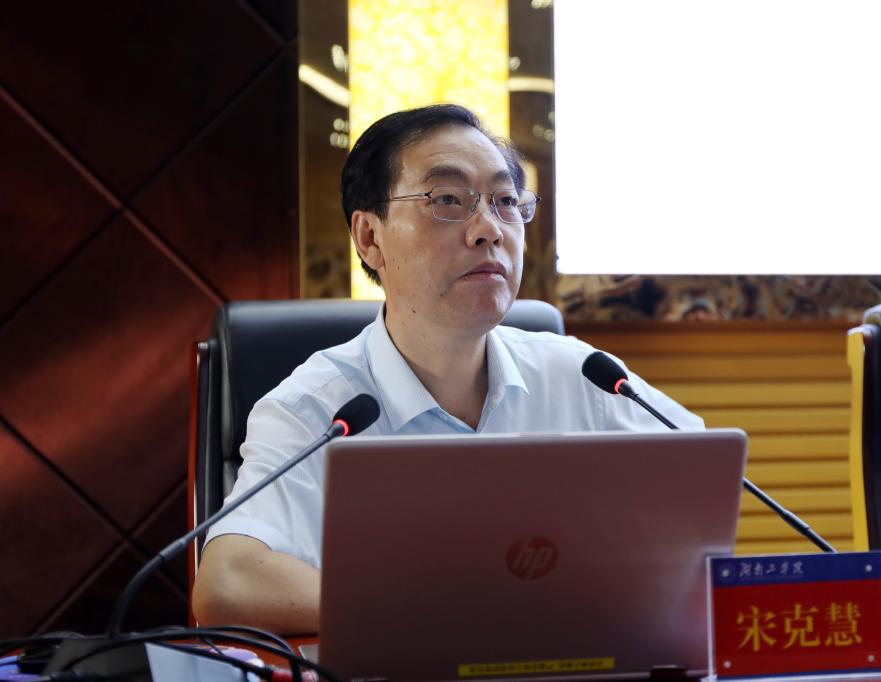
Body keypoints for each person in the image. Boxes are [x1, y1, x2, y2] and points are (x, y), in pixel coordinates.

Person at [191, 104, 703, 633]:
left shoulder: (584, 377)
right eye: (447, 201)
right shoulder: (317, 410)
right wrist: (440, 609)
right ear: (369, 238)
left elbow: (705, 488)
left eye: (506, 201)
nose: (489, 230)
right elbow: (227, 584)